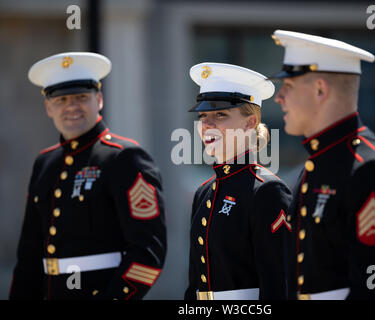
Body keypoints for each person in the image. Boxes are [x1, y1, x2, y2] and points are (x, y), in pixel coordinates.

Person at [269, 30, 375, 299]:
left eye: (287, 86)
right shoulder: (316, 165)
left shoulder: (373, 170)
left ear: (320, 89)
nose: (279, 98)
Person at [9, 52, 167, 300]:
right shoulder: (45, 163)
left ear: (99, 100)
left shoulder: (125, 158)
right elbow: (29, 254)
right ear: (49, 107)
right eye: (61, 99)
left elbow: (148, 252)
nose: (71, 106)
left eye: (82, 97)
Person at [184, 63, 292, 300]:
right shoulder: (204, 193)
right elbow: (195, 284)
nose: (207, 125)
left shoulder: (267, 190)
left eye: (220, 114)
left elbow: (279, 286)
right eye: (203, 116)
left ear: (250, 123)